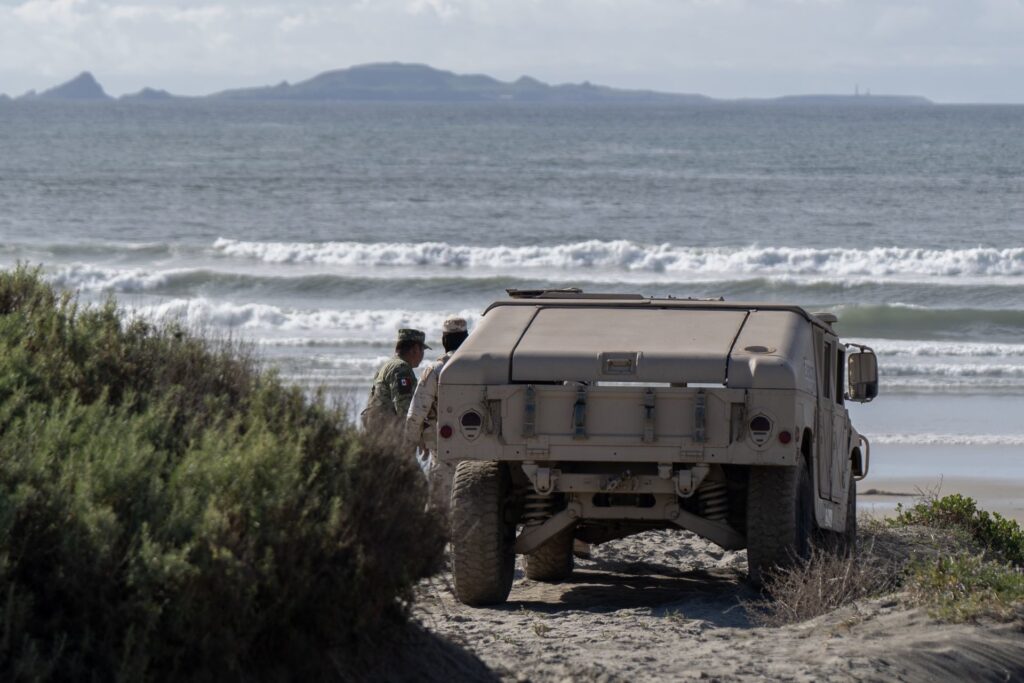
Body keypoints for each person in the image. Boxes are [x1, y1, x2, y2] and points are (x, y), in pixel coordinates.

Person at [405, 317, 469, 510]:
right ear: (467, 338)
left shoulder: (436, 369)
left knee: (439, 506)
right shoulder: (482, 367)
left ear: (444, 340)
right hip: (477, 448)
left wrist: (409, 444)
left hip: (444, 448)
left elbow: (417, 412)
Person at [361, 328, 428, 435]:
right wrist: (418, 435)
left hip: (377, 432)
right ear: (415, 348)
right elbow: (405, 410)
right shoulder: (401, 368)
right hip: (390, 436)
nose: (422, 355)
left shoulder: (387, 365)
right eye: (422, 350)